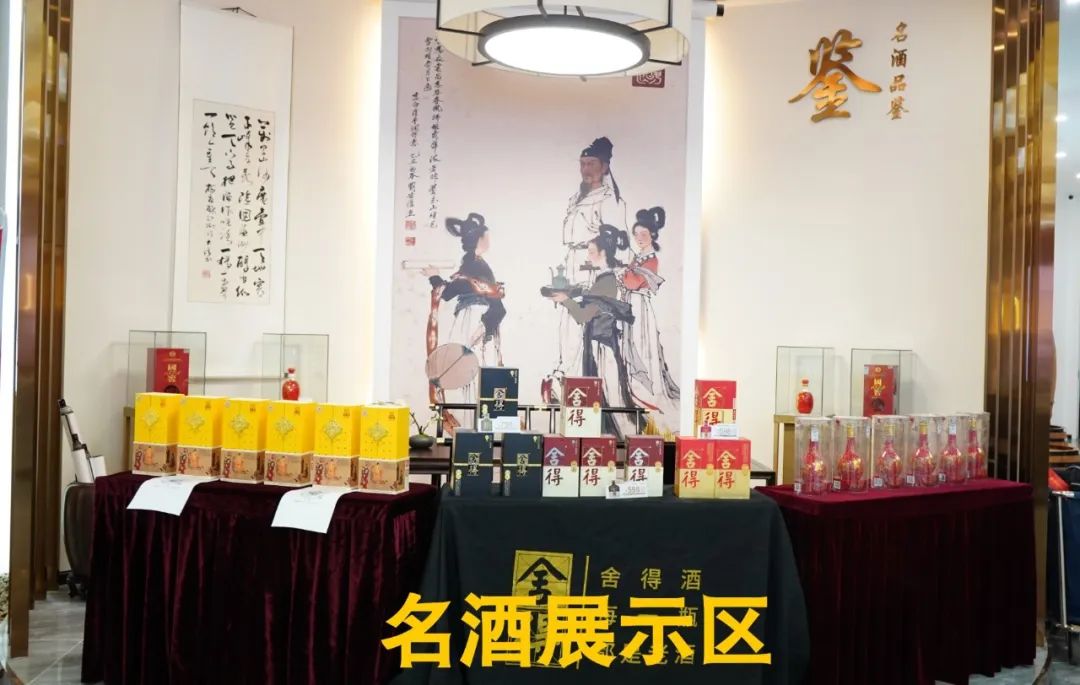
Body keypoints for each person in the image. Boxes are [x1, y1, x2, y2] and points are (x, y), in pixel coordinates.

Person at [546, 224, 642, 438]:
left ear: (604, 253)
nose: (588, 256)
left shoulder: (607, 282)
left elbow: (583, 316)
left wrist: (566, 300)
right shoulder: (603, 279)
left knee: (607, 397)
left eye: (591, 252)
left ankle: (615, 440)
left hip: (602, 346)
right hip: (598, 342)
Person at [618, 206, 680, 436]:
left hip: (640, 307)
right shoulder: (639, 258)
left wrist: (625, 275)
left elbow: (633, 283)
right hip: (632, 304)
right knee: (631, 346)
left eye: (643, 234)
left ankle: (646, 394)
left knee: (641, 348)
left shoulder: (651, 259)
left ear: (652, 234)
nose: (639, 238)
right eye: (636, 235)